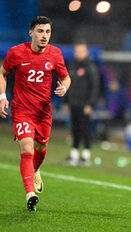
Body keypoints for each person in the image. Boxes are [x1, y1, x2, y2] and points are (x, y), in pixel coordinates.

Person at [0, 16, 71, 210]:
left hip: (43, 113)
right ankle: (29, 193)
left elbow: (66, 78)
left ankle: (37, 170)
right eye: (40, 31)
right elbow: (2, 72)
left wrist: (64, 88)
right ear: (31, 32)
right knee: (27, 149)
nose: (44, 36)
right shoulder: (16, 52)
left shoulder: (55, 54)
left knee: (41, 148)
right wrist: (2, 97)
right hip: (22, 110)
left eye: (47, 32)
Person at [64, 41, 100, 166]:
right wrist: (66, 101)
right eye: (76, 51)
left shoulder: (90, 67)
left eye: (80, 51)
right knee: (74, 129)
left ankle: (86, 155)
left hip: (85, 104)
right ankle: (74, 154)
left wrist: (90, 104)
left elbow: (95, 86)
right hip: (74, 103)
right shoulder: (73, 66)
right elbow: (67, 83)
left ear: (86, 52)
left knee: (85, 129)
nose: (77, 54)